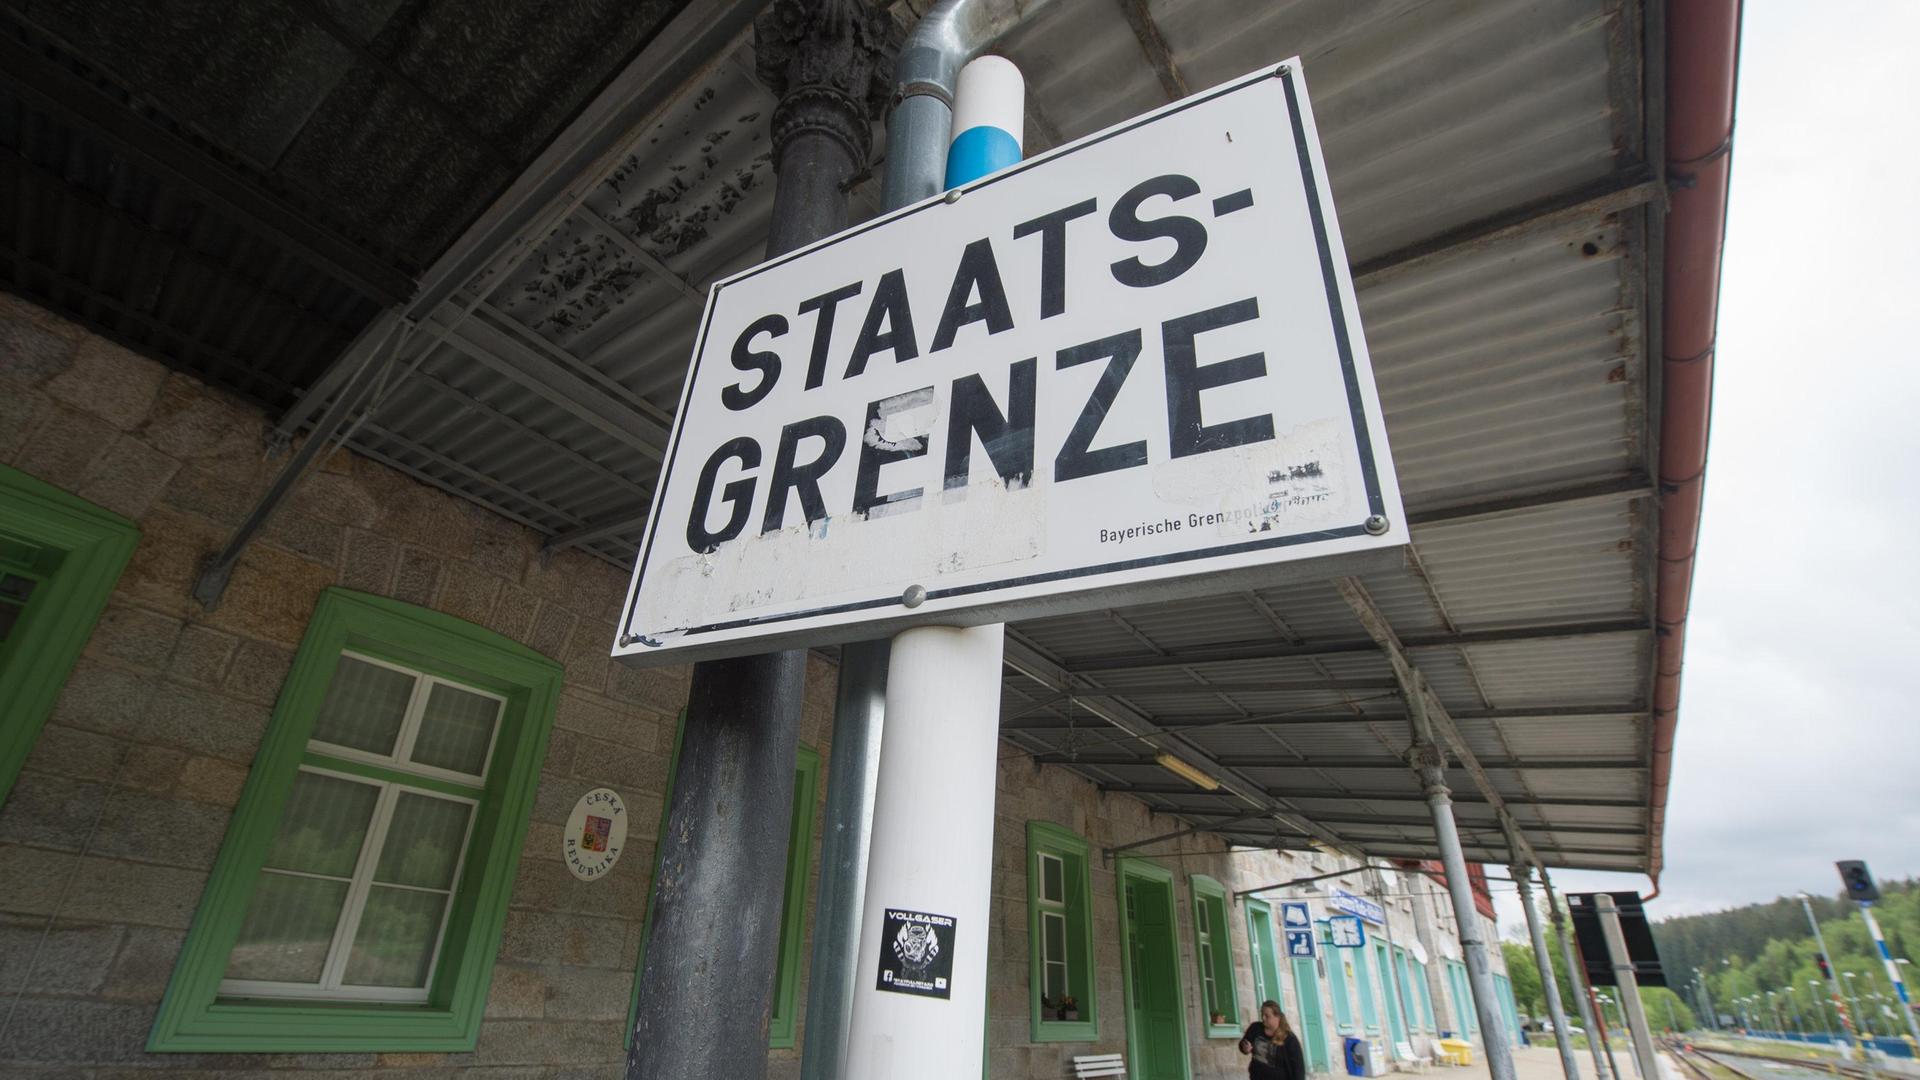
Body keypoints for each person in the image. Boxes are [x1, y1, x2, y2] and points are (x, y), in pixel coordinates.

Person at [1239, 999, 1305, 1080]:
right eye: (1262, 1014)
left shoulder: (1289, 1038)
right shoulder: (1255, 1028)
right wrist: (1244, 1047)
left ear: (1277, 1017)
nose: (1263, 1018)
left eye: (1267, 1016)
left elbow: (1298, 1067)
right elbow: (1244, 1043)